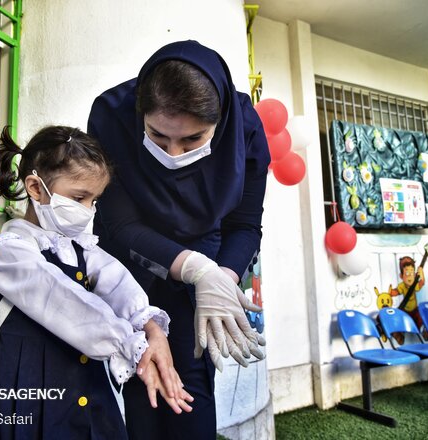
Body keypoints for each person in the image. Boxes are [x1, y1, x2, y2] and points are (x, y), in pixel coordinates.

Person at [0, 125, 193, 440]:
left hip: (83, 385)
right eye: (79, 197)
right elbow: (64, 300)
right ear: (36, 187)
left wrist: (151, 328)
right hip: (24, 389)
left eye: (94, 200)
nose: (88, 211)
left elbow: (117, 281)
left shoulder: (79, 247)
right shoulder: (12, 253)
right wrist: (130, 343)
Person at [88, 40, 270, 439]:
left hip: (205, 270)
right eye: (157, 136)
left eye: (192, 140)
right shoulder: (111, 116)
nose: (173, 152)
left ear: (219, 124)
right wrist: (194, 267)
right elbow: (117, 223)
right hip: (131, 264)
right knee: (143, 387)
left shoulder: (246, 128)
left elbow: (245, 225)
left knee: (190, 389)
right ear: (141, 116)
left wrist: (219, 278)